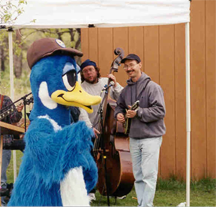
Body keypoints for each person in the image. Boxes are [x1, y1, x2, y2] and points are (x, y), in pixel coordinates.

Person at [114, 54, 166, 207]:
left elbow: (160, 111)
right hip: (134, 137)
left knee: (149, 174)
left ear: (140, 65)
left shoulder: (153, 87)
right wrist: (119, 115)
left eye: (132, 65)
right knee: (138, 175)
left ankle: (146, 205)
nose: (129, 69)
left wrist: (138, 113)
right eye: (126, 66)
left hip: (151, 137)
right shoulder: (125, 91)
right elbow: (119, 106)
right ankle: (142, 204)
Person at [78, 59, 123, 201]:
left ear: (96, 70)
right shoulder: (81, 87)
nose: (88, 73)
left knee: (110, 160)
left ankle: (115, 188)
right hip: (91, 129)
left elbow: (122, 98)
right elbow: (81, 108)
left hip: (108, 129)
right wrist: (89, 127)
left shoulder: (106, 82)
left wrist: (115, 85)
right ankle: (90, 191)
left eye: (90, 70)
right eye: (85, 71)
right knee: (89, 160)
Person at [0, 94, 23, 205]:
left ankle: (2, 203)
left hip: (3, 143)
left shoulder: (5, 100)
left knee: (1, 177)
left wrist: (18, 112)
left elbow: (13, 118)